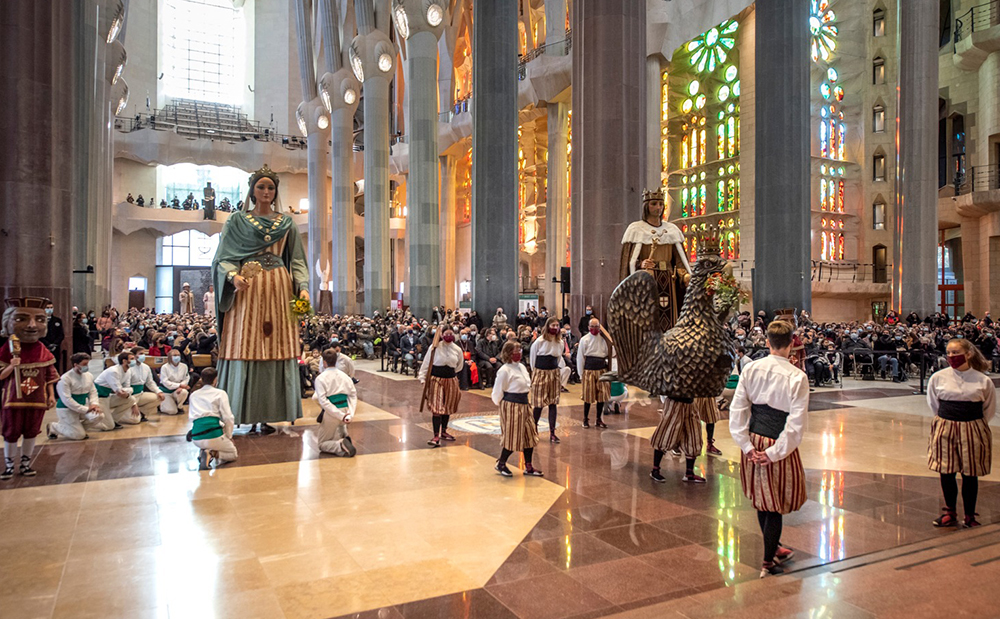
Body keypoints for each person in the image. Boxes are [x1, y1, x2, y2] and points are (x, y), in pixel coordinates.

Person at [213, 165, 310, 433]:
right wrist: (232, 276)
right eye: (261, 187)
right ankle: (240, 411)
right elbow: (223, 258)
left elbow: (298, 260)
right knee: (245, 343)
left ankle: (273, 411)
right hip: (247, 288)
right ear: (252, 191)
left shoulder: (287, 222)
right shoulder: (237, 220)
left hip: (280, 287)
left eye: (270, 187)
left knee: (279, 344)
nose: (266, 191)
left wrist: (302, 287)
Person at [728, 320, 808, 578]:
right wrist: (774, 452)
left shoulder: (751, 369)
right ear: (791, 343)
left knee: (763, 499)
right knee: (774, 503)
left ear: (767, 342)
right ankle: (767, 562)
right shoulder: (797, 376)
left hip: (754, 439)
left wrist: (746, 445)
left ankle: (773, 548)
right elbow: (795, 424)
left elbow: (738, 410)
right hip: (778, 443)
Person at [927, 337, 995, 528]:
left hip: (972, 426)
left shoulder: (983, 380)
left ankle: (969, 515)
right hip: (946, 426)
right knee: (946, 470)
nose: (951, 356)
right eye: (948, 352)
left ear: (968, 354)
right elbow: (934, 404)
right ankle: (950, 511)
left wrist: (974, 424)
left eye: (956, 352)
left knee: (970, 472)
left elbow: (988, 409)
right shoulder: (938, 378)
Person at [0, 297, 59, 480]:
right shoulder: (7, 349)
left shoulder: (42, 350)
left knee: (31, 430)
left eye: (40, 320)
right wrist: (12, 365)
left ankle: (25, 462)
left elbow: (50, 376)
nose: (32, 326)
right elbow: (1, 375)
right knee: (11, 431)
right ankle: (9, 465)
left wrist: (51, 396)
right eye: (21, 319)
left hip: (36, 398)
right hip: (13, 399)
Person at [619, 188, 690, 332]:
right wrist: (640, 264)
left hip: (669, 280)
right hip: (648, 280)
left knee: (671, 317)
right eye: (654, 204)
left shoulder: (672, 230)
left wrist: (685, 276)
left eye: (660, 204)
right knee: (650, 317)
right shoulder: (635, 229)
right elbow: (627, 262)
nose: (658, 207)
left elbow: (679, 261)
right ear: (646, 206)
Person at [492, 341, 542, 477]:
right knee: (513, 435)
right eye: (515, 351)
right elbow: (497, 392)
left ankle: (529, 466)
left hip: (524, 404)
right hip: (511, 404)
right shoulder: (504, 370)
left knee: (529, 435)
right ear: (508, 353)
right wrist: (502, 405)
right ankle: (501, 463)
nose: (519, 353)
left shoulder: (521, 367)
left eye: (520, 350)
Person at [419, 327, 465, 448]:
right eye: (446, 333)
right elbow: (426, 363)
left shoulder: (457, 349)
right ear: (442, 335)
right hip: (436, 380)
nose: (449, 336)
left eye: (451, 333)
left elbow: (459, 366)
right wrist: (423, 378)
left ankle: (444, 431)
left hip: (451, 380)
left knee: (448, 405)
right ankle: (435, 435)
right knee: (437, 407)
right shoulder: (434, 347)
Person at [187, 368, 237, 469]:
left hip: (196, 437)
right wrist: (229, 436)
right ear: (215, 380)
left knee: (214, 431)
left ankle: (203, 451)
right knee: (233, 454)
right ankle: (212, 453)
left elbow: (192, 418)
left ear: (201, 379)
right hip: (213, 435)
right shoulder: (220, 393)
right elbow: (228, 417)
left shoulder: (193, 395)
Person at [530, 317, 570, 443]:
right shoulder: (539, 341)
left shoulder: (560, 342)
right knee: (539, 403)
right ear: (547, 326)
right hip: (541, 372)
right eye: (552, 325)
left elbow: (558, 359)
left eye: (557, 325)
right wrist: (535, 372)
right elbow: (533, 359)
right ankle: (533, 429)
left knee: (553, 403)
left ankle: (552, 432)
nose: (555, 328)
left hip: (553, 372)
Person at [312, 349, 358, 457]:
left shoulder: (321, 378)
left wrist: (340, 415)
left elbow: (323, 401)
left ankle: (340, 445)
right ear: (336, 361)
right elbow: (353, 395)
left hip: (332, 413)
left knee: (322, 444)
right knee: (339, 425)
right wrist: (350, 414)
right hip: (346, 409)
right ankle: (344, 435)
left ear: (324, 362)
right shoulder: (345, 376)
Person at [48, 353, 104, 441]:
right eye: (84, 364)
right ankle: (54, 427)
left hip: (82, 406)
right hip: (66, 409)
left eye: (87, 364)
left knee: (99, 416)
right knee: (79, 436)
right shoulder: (65, 379)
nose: (87, 366)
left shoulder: (89, 375)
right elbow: (67, 399)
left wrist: (94, 404)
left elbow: (93, 392)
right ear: (76, 365)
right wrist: (85, 409)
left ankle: (77, 429)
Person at [577, 318, 611, 429]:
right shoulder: (584, 340)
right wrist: (580, 373)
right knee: (588, 396)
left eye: (596, 327)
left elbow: (609, 353)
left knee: (601, 396)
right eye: (592, 326)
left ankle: (598, 419)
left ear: (599, 328)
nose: (594, 329)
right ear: (588, 327)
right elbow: (580, 357)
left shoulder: (603, 340)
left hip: (601, 369)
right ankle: (585, 418)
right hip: (589, 370)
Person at [95, 351, 140, 426]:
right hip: (100, 397)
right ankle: (94, 424)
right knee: (108, 426)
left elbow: (127, 388)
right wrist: (128, 391)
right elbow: (119, 392)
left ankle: (113, 420)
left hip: (109, 396)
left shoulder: (128, 371)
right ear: (124, 361)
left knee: (131, 400)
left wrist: (129, 394)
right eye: (132, 359)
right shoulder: (114, 371)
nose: (134, 360)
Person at [127, 347, 165, 420]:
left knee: (159, 397)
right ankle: (129, 412)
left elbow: (150, 382)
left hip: (140, 394)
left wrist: (158, 391)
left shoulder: (146, 367)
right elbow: (126, 386)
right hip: (130, 396)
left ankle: (141, 412)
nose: (143, 356)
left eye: (144, 353)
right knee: (135, 421)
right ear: (134, 356)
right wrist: (133, 403)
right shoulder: (129, 368)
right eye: (140, 354)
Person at [158, 350, 191, 415]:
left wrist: (182, 386)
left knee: (184, 392)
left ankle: (179, 406)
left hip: (178, 390)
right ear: (170, 357)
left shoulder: (184, 366)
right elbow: (165, 381)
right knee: (172, 412)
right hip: (166, 391)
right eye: (175, 355)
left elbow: (186, 378)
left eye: (178, 355)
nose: (177, 357)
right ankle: (161, 405)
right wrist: (179, 385)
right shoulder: (164, 367)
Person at [40, 301, 65, 372]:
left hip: (55, 348)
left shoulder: (57, 320)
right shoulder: (40, 320)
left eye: (51, 307)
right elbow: (40, 335)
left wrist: (55, 344)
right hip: (44, 347)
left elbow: (61, 334)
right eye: (47, 308)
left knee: (55, 366)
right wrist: (47, 344)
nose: (49, 309)